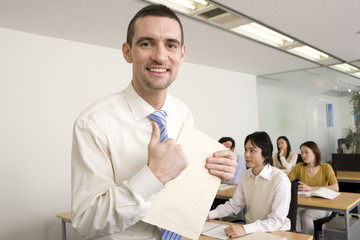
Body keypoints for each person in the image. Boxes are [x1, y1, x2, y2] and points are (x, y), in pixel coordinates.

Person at [70, 4, 237, 240]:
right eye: (146, 43)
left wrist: (214, 172)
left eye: (170, 45)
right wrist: (152, 176)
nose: (160, 56)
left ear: (182, 54)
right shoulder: (94, 123)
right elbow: (86, 222)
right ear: (127, 52)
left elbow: (183, 191)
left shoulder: (183, 112)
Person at [208, 132, 291, 238]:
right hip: (250, 231)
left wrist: (245, 229)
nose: (246, 154)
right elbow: (234, 205)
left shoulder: (280, 178)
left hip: (275, 232)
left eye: (252, 150)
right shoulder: (245, 176)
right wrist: (210, 215)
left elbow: (276, 221)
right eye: (246, 150)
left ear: (266, 153)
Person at [288, 141, 339, 235]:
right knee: (294, 213)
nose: (303, 155)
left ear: (315, 152)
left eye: (306, 152)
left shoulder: (326, 167)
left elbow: (335, 187)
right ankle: (298, 237)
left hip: (325, 205)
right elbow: (286, 181)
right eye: (302, 152)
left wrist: (311, 188)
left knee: (306, 215)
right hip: (306, 203)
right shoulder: (299, 167)